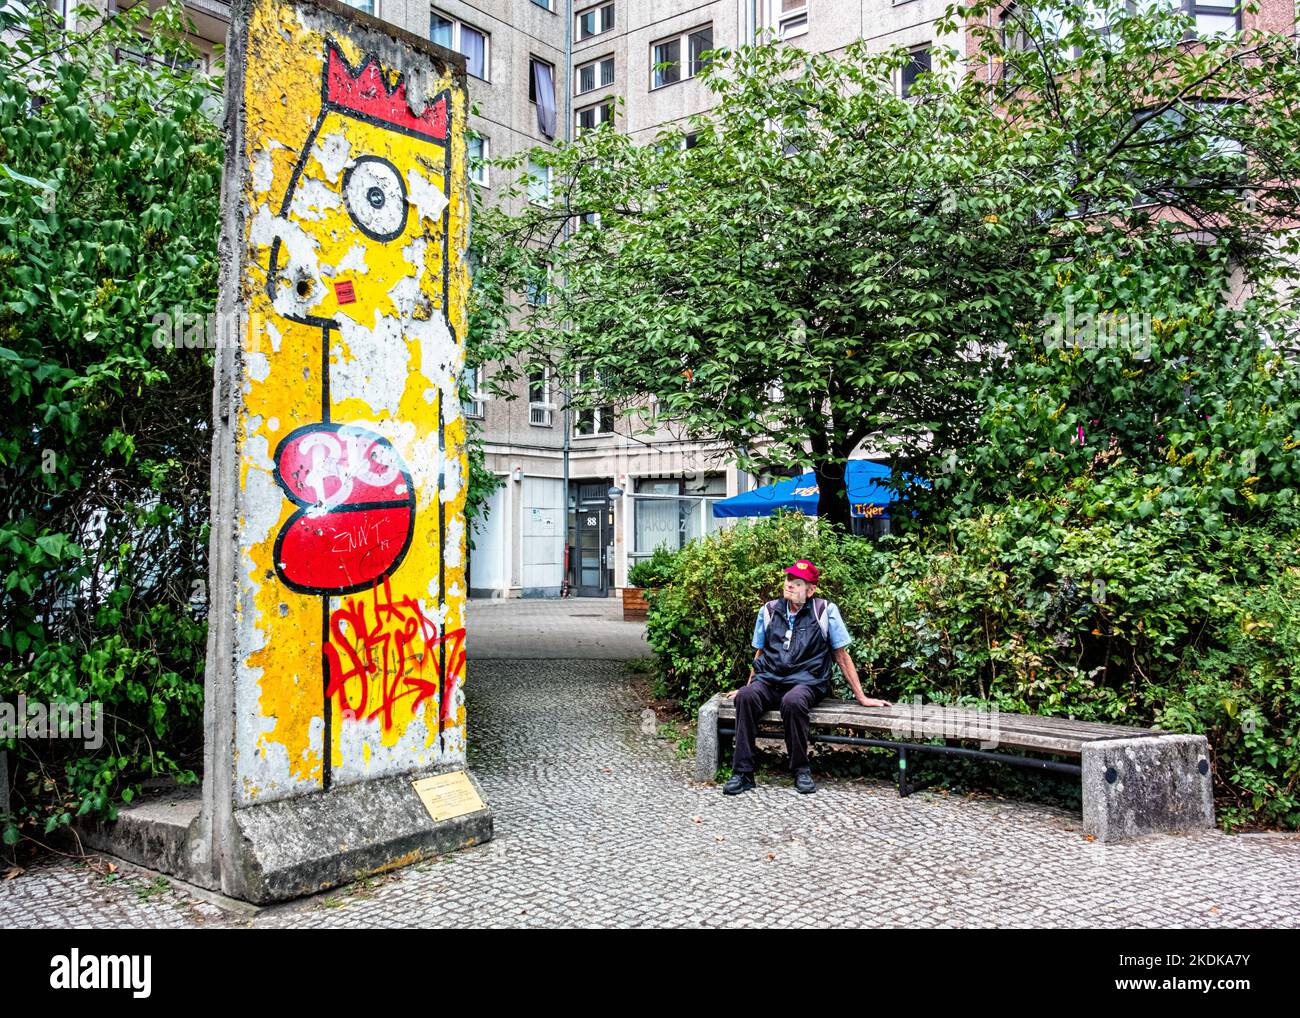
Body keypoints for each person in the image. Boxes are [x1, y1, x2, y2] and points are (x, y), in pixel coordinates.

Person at [723, 559, 890, 795]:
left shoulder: (824, 611)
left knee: (792, 702)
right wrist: (747, 686)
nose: (790, 585)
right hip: (770, 680)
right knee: (747, 698)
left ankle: (801, 770)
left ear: (810, 590)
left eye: (798, 582)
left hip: (806, 682)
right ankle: (743, 773)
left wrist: (861, 697)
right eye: (788, 579)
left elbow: (841, 656)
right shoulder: (769, 610)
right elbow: (759, 653)